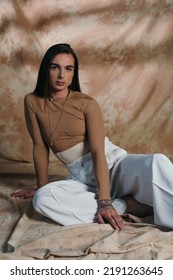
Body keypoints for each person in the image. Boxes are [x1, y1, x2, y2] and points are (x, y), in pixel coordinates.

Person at [11, 43, 173, 230]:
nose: (61, 75)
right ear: (46, 69)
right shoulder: (32, 101)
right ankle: (127, 206)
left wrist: (104, 201)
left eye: (68, 69)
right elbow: (40, 147)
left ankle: (119, 203)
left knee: (157, 162)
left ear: (74, 73)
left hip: (113, 165)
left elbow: (98, 151)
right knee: (43, 199)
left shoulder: (86, 103)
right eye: (55, 67)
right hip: (80, 177)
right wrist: (41, 186)